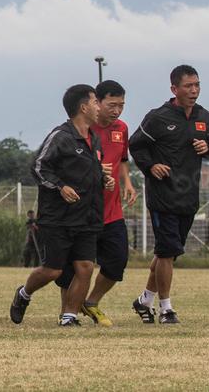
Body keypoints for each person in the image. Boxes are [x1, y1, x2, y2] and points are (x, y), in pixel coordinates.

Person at [9, 85, 113, 327]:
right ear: (83, 107)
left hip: (88, 217)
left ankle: (69, 316)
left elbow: (91, 170)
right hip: (58, 219)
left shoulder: (94, 138)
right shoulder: (61, 136)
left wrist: (103, 178)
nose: (100, 107)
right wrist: (60, 187)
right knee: (53, 270)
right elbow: (38, 166)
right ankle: (24, 293)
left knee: (85, 267)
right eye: (96, 101)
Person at [129, 65, 209, 325]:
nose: (194, 90)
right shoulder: (158, 117)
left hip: (188, 195)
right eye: (188, 86)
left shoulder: (205, 117)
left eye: (197, 85)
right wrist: (151, 166)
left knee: (168, 252)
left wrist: (207, 147)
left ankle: (144, 299)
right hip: (162, 196)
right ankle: (166, 309)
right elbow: (135, 145)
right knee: (166, 252)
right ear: (174, 89)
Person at [62, 80, 137, 326]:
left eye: (121, 105)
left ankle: (91, 302)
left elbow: (122, 159)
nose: (117, 111)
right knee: (74, 267)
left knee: (117, 261)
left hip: (112, 210)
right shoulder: (82, 130)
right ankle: (67, 313)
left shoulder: (122, 128)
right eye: (111, 105)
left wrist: (127, 182)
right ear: (96, 103)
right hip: (83, 210)